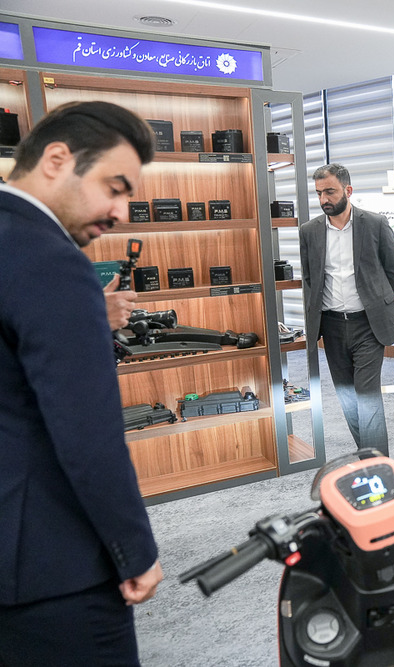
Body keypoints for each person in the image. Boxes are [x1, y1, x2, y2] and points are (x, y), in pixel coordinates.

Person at [0, 101, 162, 665]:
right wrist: (135, 551)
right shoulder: (53, 261)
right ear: (56, 159)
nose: (121, 212)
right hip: (50, 567)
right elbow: (88, 435)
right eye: (114, 189)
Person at [300, 163, 394, 456]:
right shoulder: (309, 231)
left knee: (367, 396)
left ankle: (378, 465)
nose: (324, 199)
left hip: (368, 324)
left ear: (348, 190)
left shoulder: (374, 224)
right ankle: (368, 454)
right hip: (332, 325)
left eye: (330, 192)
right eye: (319, 193)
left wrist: (375, 300)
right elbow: (310, 278)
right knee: (347, 396)